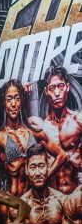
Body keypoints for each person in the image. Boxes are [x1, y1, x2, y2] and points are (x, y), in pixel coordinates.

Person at [10, 144, 71, 224]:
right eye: (33, 167)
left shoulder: (64, 201)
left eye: (41, 166)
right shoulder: (18, 208)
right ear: (27, 170)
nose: (38, 173)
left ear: (48, 167)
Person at [27, 66, 82, 194]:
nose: (57, 93)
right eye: (52, 88)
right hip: (53, 197)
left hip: (77, 194)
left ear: (67, 87)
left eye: (60, 86)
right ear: (46, 91)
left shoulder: (78, 120)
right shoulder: (41, 126)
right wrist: (22, 92)